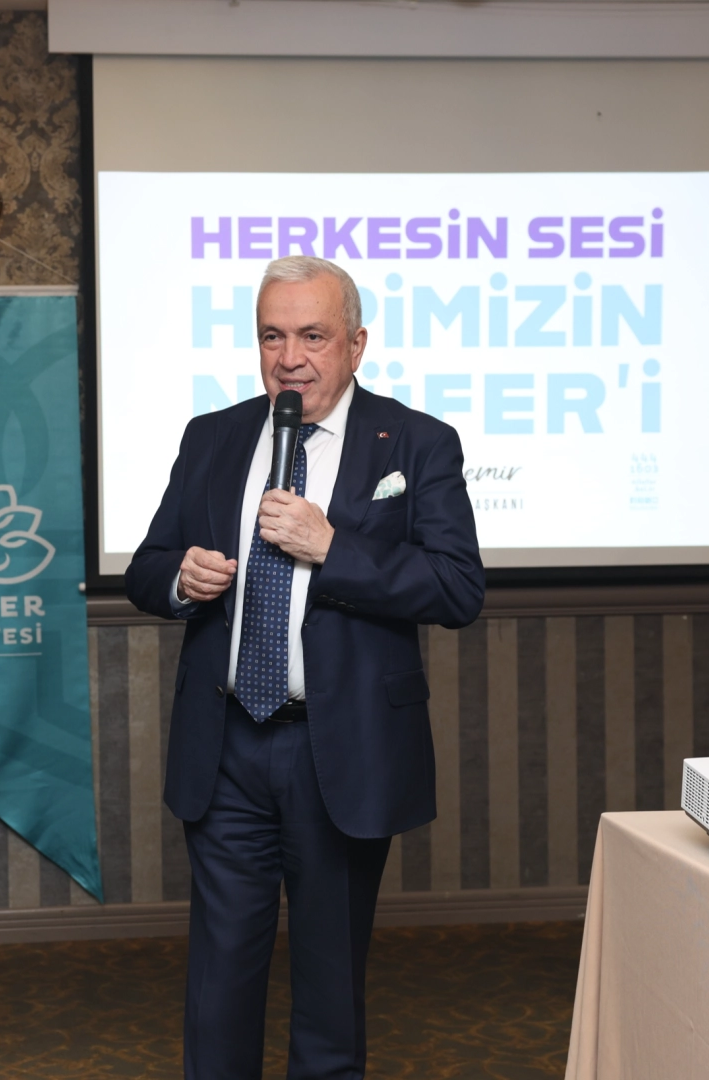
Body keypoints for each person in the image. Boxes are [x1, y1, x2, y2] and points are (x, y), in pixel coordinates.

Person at [126, 255, 485, 1078]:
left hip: (339, 751)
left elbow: (458, 589)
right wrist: (178, 577)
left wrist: (333, 548)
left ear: (356, 344)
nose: (289, 358)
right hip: (224, 744)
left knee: (328, 991)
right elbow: (145, 567)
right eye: (272, 336)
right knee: (218, 984)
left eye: (313, 336)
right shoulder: (212, 436)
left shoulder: (416, 442)